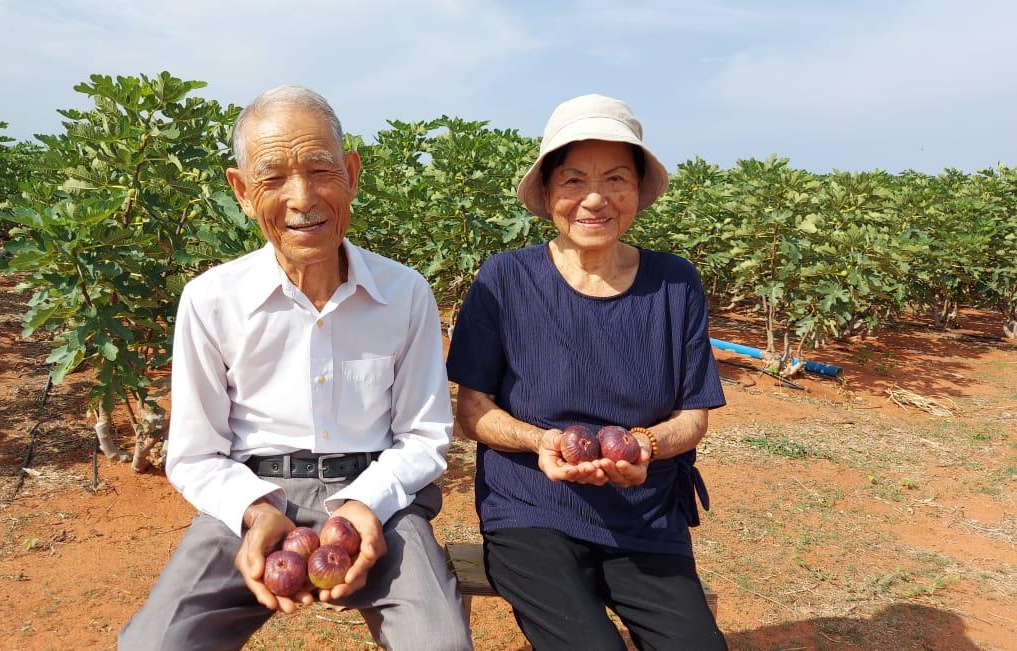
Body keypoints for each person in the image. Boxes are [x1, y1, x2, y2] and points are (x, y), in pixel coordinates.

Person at [120, 85, 471, 651]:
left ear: (351, 175)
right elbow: (195, 454)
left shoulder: (405, 293)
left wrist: (365, 505)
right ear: (242, 192)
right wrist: (256, 512)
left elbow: (423, 436)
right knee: (154, 645)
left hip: (377, 499)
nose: (302, 198)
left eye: (320, 170)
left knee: (440, 645)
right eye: (274, 177)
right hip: (255, 499)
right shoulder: (211, 300)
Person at [446, 94, 727, 650]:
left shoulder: (675, 283)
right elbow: (472, 411)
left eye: (615, 179)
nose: (595, 199)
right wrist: (541, 441)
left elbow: (693, 416)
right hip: (532, 509)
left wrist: (644, 445)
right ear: (549, 193)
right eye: (574, 181)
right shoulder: (505, 280)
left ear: (637, 191)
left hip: (644, 515)